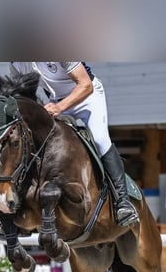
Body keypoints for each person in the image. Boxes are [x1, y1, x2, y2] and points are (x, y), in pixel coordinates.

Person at [9, 62, 139, 227]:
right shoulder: (17, 64)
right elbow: (23, 98)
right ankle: (18, 206)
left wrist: (59, 107)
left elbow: (86, 85)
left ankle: (122, 201)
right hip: (55, 101)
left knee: (99, 139)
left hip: (86, 97)